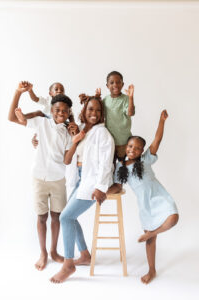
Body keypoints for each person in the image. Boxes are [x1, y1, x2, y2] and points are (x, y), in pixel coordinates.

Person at [8, 82, 75, 271]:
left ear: (69, 113)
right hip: (39, 177)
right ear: (51, 110)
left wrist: (76, 140)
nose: (60, 113)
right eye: (57, 110)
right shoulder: (41, 122)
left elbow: (68, 160)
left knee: (56, 216)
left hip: (58, 179)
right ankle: (43, 253)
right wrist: (18, 92)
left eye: (64, 111)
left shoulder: (68, 132)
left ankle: (54, 251)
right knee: (41, 217)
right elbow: (12, 117)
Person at [108, 110, 179, 284]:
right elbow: (117, 186)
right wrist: (104, 192)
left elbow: (157, 140)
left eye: (138, 148)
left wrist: (161, 121)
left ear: (141, 151)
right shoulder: (120, 167)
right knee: (151, 241)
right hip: (144, 203)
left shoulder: (145, 160)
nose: (133, 149)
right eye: (131, 146)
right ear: (126, 147)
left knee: (173, 218)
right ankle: (151, 270)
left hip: (159, 196)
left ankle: (150, 234)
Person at [50, 92, 115, 284]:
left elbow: (106, 163)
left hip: (92, 181)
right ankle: (85, 255)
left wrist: (101, 187)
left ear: (102, 114)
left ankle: (68, 264)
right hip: (80, 178)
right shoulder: (84, 131)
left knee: (65, 217)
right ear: (84, 112)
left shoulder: (102, 133)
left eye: (98, 110)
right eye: (90, 109)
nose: (94, 112)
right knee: (69, 216)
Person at [96, 71, 135, 161]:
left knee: (122, 166)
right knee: (110, 166)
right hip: (110, 141)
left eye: (118, 82)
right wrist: (97, 97)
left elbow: (130, 113)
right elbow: (99, 115)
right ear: (107, 86)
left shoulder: (126, 99)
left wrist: (131, 98)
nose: (115, 85)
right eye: (112, 82)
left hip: (124, 142)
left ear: (122, 84)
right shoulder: (105, 100)